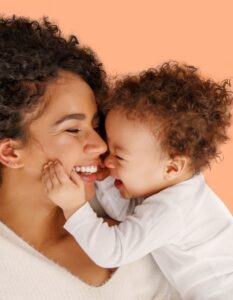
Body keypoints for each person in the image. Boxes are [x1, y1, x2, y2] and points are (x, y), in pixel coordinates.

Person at [43, 62, 233, 300]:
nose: (107, 161)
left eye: (119, 156)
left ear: (171, 166)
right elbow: (131, 220)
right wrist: (103, 179)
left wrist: (74, 208)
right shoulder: (174, 190)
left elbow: (114, 250)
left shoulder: (173, 209)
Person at [0, 16, 181, 300]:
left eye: (96, 126)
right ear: (10, 152)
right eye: (73, 129)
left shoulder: (130, 199)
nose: (98, 145)